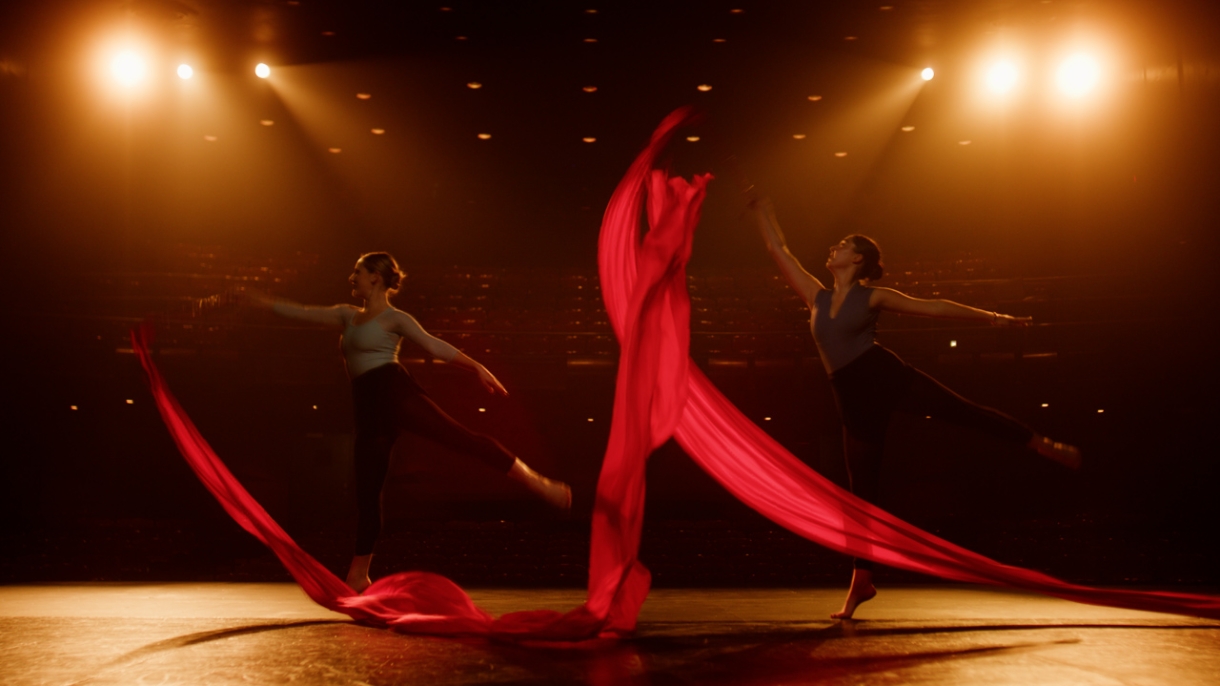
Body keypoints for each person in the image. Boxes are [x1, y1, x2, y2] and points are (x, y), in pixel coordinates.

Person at [748, 197, 1081, 620]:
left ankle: (1039, 442)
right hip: (849, 395)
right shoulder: (815, 295)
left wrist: (993, 317)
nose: (833, 248)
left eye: (842, 244)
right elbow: (780, 251)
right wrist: (764, 213)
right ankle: (862, 582)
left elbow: (934, 307)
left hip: (884, 376)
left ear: (859, 258)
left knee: (962, 411)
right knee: (861, 496)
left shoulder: (873, 296)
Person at [247, 252, 571, 593]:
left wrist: (476, 366)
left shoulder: (395, 318)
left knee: (458, 437)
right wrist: (264, 302)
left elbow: (433, 344)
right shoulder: (347, 315)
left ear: (376, 277)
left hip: (394, 391)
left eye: (357, 271)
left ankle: (535, 480)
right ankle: (359, 574)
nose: (351, 277)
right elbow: (303, 313)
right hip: (367, 406)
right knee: (368, 494)